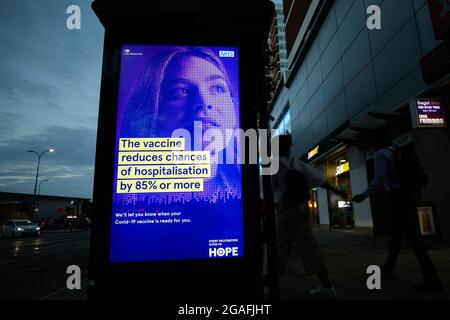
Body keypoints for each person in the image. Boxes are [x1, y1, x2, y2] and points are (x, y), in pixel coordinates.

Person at [121, 46, 241, 202]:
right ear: (151, 108)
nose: (204, 103)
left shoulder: (247, 185)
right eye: (180, 91)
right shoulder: (130, 198)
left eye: (217, 88)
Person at [352, 135, 443, 293]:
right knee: (397, 234)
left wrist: (364, 195)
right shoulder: (395, 151)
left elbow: (380, 178)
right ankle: (389, 267)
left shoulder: (380, 154)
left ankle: (432, 278)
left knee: (412, 237)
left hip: (396, 196)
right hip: (407, 194)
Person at [271, 134, 347, 298]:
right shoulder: (297, 163)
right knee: (309, 245)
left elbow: (268, 191)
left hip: (286, 209)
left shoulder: (273, 165)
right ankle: (327, 285)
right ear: (289, 147)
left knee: (279, 245)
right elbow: (320, 179)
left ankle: (267, 283)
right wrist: (337, 190)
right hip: (303, 208)